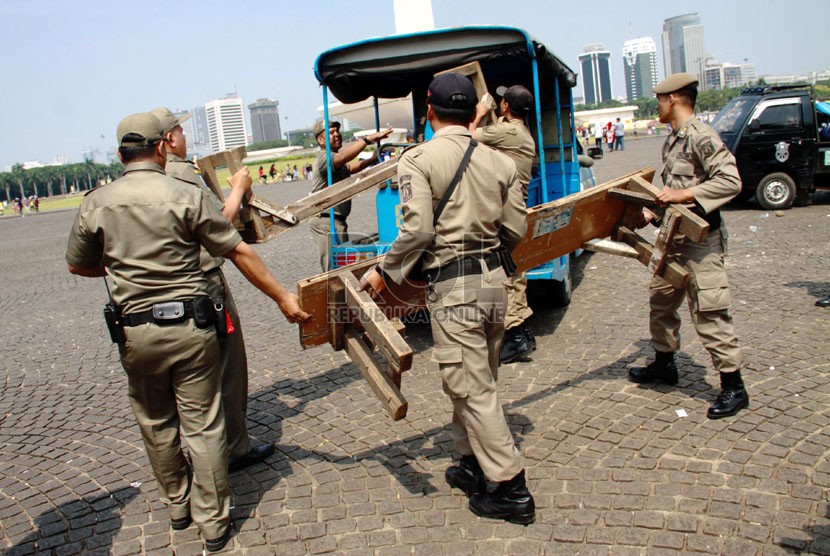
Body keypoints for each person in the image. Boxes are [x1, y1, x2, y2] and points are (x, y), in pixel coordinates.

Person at [66, 112, 310, 552]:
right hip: (190, 326)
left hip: (135, 332)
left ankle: (177, 506)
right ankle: (214, 523)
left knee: (156, 422)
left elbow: (78, 263)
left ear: (121, 154)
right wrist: (282, 298)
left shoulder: (95, 202)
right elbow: (236, 251)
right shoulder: (182, 194)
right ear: (162, 147)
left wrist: (125, 264)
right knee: (203, 424)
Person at [360, 73, 535, 524]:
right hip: (495, 280)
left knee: (472, 387)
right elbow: (517, 228)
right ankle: (472, 462)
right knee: (478, 379)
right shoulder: (500, 161)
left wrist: (384, 271)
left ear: (430, 111)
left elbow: (417, 230)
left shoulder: (418, 159)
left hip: (455, 287)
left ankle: (512, 489)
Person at [151, 107, 279, 474]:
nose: (184, 136)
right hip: (205, 285)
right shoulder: (182, 175)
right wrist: (238, 188)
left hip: (163, 289)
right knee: (228, 368)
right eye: (180, 130)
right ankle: (235, 447)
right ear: (169, 139)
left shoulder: (149, 178)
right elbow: (219, 226)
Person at [629, 73, 748, 419]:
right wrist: (652, 211)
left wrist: (686, 194)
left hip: (700, 243)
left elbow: (730, 181)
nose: (658, 105)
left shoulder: (702, 137)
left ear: (675, 100)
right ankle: (665, 364)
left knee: (710, 312)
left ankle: (734, 387)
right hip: (673, 238)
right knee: (661, 302)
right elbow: (672, 186)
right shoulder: (674, 140)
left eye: (661, 100)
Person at [470, 84, 537, 363]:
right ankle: (524, 333)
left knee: (503, 276)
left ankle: (515, 336)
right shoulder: (520, 131)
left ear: (506, 107)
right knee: (515, 273)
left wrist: (480, 112)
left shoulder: (509, 132)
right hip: (515, 212)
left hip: (504, 214)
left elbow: (468, 136)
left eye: (502, 102)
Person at [310, 119, 392, 271]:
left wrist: (372, 159)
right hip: (327, 221)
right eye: (331, 132)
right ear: (320, 140)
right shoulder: (324, 157)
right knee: (334, 270)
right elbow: (342, 159)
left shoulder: (334, 160)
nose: (337, 135)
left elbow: (350, 168)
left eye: (337, 131)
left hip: (337, 221)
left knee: (342, 266)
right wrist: (367, 140)